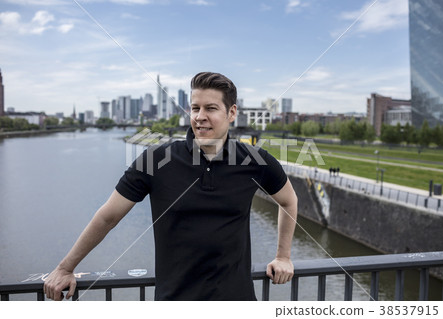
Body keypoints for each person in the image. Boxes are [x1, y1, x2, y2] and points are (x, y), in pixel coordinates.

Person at [44, 72, 298, 301]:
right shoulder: (156, 159)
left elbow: (288, 200)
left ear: (231, 113)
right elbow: (108, 217)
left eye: (210, 108)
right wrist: (66, 268)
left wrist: (283, 256)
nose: (200, 117)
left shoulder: (255, 161)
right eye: (195, 108)